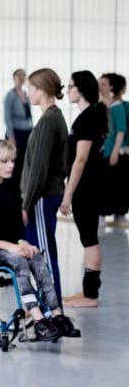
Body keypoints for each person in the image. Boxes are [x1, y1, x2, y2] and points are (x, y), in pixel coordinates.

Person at [0, 139, 79, 341]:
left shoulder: (11, 187)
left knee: (36, 256)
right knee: (18, 260)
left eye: (12, 161)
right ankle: (37, 319)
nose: (11, 165)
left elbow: (17, 224)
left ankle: (56, 314)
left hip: (8, 246)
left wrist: (23, 242)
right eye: (5, 161)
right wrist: (10, 246)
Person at [60, 71, 108, 308]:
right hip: (86, 186)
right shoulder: (89, 116)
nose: (67, 90)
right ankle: (87, 292)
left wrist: (68, 194)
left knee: (89, 240)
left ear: (81, 89)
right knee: (87, 238)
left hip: (86, 188)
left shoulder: (88, 118)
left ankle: (91, 296)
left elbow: (81, 159)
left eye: (70, 86)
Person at [20, 68, 68, 304]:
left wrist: (26, 204)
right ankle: (49, 307)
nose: (28, 92)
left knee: (42, 255)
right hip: (46, 195)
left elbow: (39, 170)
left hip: (41, 198)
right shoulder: (54, 117)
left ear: (42, 89)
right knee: (45, 252)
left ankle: (52, 309)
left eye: (31, 88)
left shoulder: (49, 121)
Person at [99, 73, 128, 223]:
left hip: (115, 152)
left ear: (111, 86)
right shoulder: (99, 105)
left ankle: (118, 214)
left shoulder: (118, 107)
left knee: (116, 185)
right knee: (103, 184)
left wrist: (116, 151)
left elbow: (121, 130)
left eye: (104, 83)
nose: (100, 86)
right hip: (102, 152)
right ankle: (102, 214)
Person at [4, 68, 33, 184]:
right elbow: (7, 117)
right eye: (19, 76)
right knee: (14, 160)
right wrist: (11, 137)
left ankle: (23, 184)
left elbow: (29, 115)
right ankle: (13, 185)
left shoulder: (26, 94)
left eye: (24, 75)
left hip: (28, 131)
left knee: (25, 160)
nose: (22, 78)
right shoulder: (10, 95)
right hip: (16, 133)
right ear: (14, 78)